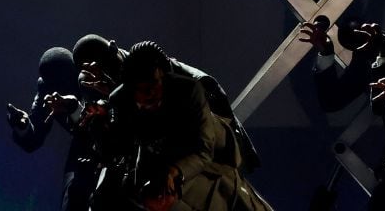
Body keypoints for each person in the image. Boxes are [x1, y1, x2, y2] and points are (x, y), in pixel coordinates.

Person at [93, 43, 272, 211]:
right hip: (163, 165)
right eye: (142, 88)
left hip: (209, 157)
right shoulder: (121, 101)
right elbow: (115, 151)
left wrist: (174, 171)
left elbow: (205, 148)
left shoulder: (190, 90)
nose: (150, 94)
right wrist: (103, 124)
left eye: (154, 84)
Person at [7, 46, 99, 211]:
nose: (57, 93)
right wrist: (24, 125)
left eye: (63, 85)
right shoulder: (47, 88)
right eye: (53, 86)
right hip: (82, 147)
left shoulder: (91, 78)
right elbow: (34, 139)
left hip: (115, 140)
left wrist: (74, 109)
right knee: (72, 200)